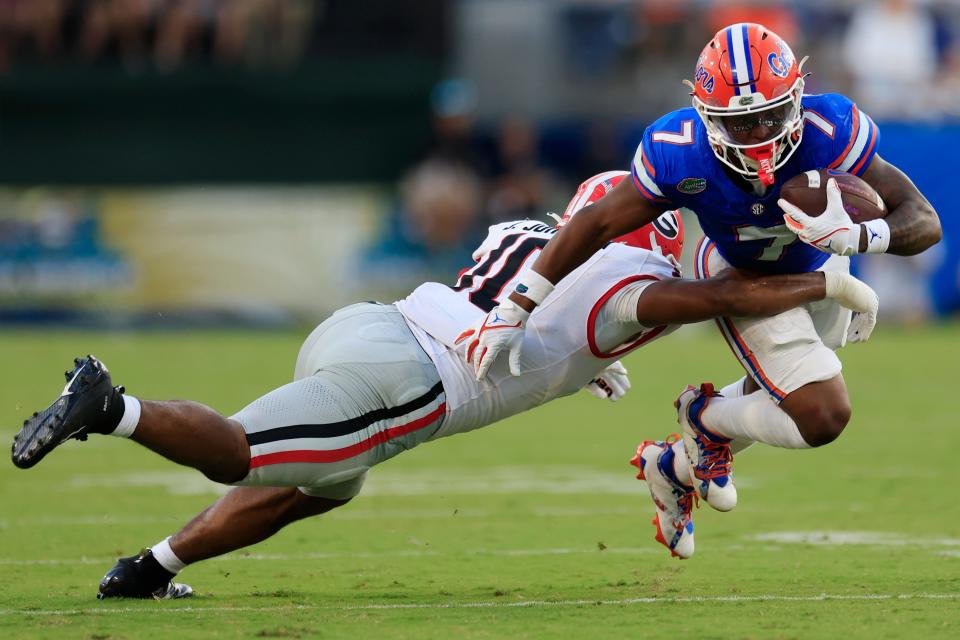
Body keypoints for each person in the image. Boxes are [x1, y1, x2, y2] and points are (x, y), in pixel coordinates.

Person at [10, 171, 879, 597]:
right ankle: (111, 404)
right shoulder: (628, 275)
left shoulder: (551, 233)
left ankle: (150, 570)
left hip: (370, 325)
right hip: (417, 376)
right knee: (244, 456)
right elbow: (719, 293)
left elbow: (524, 289)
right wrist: (830, 278)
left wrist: (582, 367)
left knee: (317, 487)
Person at [466, 23, 941, 526]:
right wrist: (517, 304)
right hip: (739, 276)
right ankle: (702, 418)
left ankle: (672, 463)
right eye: (743, 124)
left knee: (775, 393)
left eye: (772, 115)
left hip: (818, 262)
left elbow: (922, 218)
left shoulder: (832, 130)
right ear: (708, 118)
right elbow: (596, 221)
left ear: (798, 96)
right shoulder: (680, 151)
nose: (761, 135)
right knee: (821, 413)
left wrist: (862, 239)